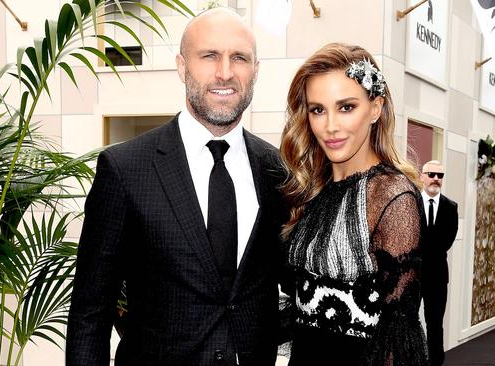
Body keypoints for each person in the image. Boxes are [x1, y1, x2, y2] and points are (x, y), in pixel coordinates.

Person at [66, 8, 286, 365]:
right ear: (182, 67)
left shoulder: (277, 171)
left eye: (239, 58)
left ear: (256, 71)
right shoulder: (125, 169)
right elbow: (90, 311)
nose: (225, 72)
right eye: (209, 55)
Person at [279, 43, 429, 365]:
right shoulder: (314, 188)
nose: (330, 125)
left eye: (346, 107)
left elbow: (398, 335)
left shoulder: (391, 196)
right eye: (318, 109)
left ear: (375, 108)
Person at [418, 160, 458, 366]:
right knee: (407, 322)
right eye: (432, 174)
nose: (436, 179)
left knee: (435, 324)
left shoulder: (451, 207)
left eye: (440, 175)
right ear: (421, 176)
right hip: (411, 275)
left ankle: (435, 363)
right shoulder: (410, 203)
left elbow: (447, 241)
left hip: (437, 276)